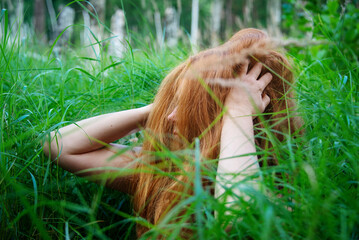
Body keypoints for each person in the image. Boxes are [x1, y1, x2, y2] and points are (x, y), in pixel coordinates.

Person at [43, 28, 301, 238]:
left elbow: (239, 217)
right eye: (174, 105)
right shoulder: (166, 170)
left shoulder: (282, 197)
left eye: (187, 107)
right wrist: (153, 111)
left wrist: (239, 110)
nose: (171, 116)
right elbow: (59, 145)